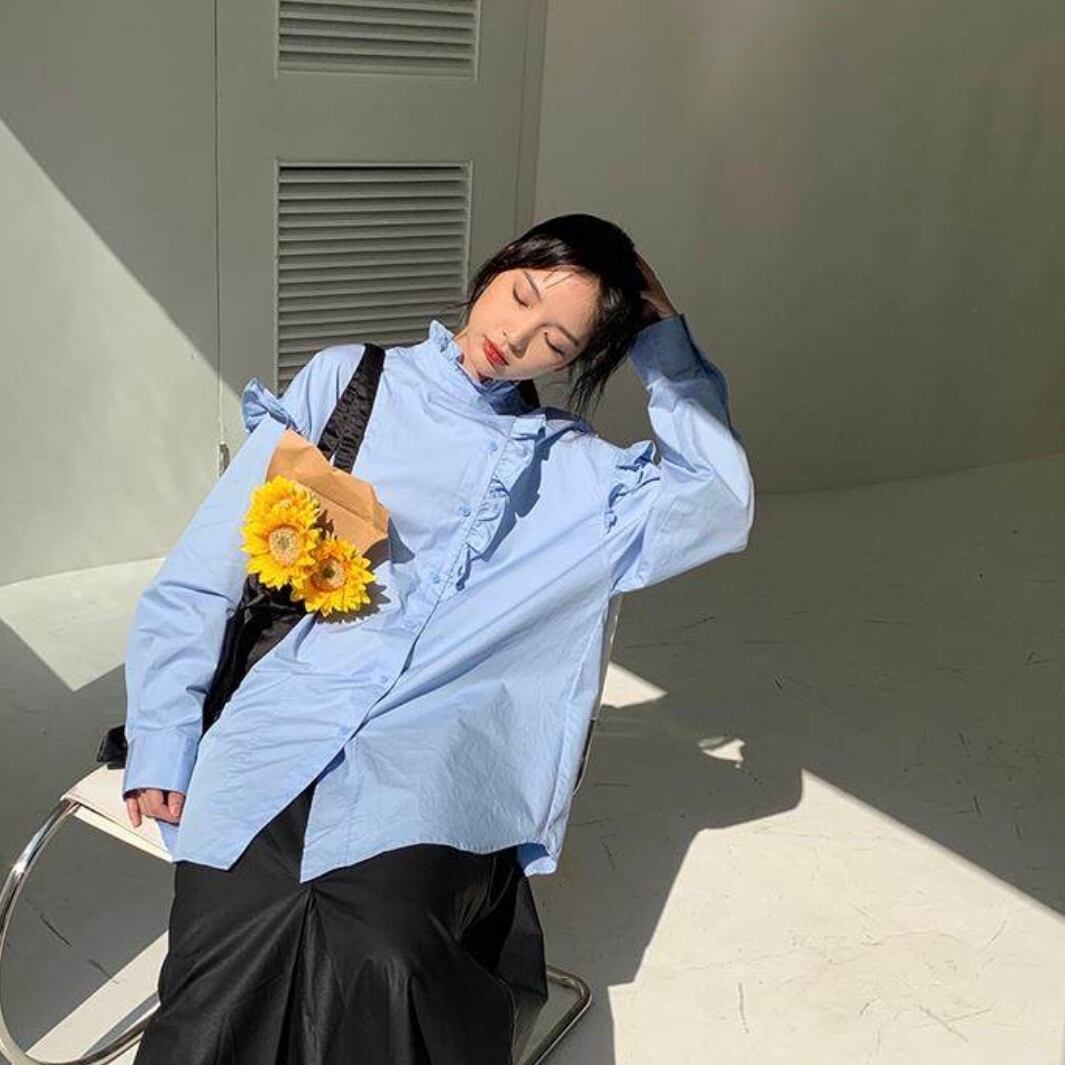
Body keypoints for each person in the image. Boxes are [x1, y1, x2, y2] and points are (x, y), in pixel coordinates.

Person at [120, 213, 756, 1064]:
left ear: (573, 361)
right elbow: (204, 572)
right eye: (519, 295)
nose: (516, 336)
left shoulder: (579, 475)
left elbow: (718, 502)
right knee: (230, 950)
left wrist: (661, 341)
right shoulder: (350, 383)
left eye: (555, 339)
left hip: (435, 762)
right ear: (495, 269)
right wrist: (163, 734)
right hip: (282, 722)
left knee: (382, 951)